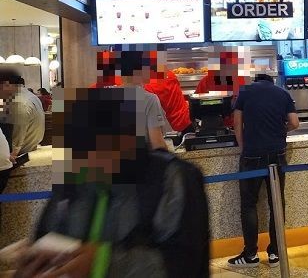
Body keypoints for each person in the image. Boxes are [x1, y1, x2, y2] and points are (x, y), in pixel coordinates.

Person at [9, 87, 209, 278]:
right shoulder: (75, 183)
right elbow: (48, 233)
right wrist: (34, 260)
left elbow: (184, 264)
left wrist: (101, 262)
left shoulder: (169, 178)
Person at [228, 73, 299, 268]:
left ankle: (250, 255)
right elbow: (294, 123)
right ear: (271, 81)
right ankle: (275, 253)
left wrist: (243, 148)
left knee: (249, 204)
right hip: (277, 153)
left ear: (256, 80)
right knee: (276, 203)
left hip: (252, 154)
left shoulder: (245, 92)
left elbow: (237, 123)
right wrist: (279, 131)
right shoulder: (282, 93)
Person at [0, 68, 45, 158]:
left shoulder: (18, 103)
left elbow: (16, 141)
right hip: (31, 147)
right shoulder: (30, 95)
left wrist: (11, 155)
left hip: (21, 153)